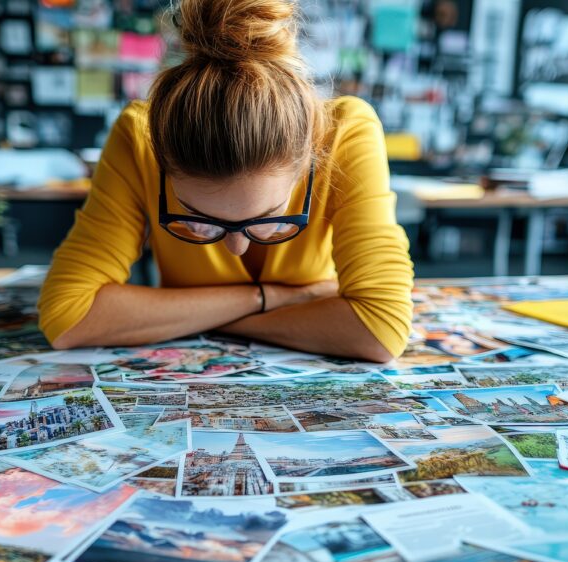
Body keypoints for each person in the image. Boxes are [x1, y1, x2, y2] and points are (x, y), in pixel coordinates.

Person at [39, 0, 414, 363]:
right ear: (162, 164)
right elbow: (68, 316)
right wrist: (270, 298)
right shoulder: (140, 137)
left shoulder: (344, 132)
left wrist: (192, 317)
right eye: (197, 219)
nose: (234, 247)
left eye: (270, 218)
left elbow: (380, 330)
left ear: (309, 160)